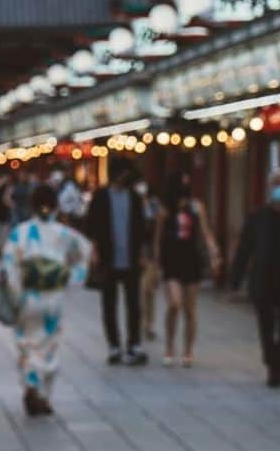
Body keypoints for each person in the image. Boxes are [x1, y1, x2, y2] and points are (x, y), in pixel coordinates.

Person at [1, 183, 92, 416]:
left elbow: (8, 266)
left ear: (31, 205)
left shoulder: (19, 232)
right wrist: (71, 278)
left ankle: (31, 383)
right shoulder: (64, 234)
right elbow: (86, 252)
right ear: (55, 205)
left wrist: (15, 293)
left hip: (27, 296)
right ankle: (45, 395)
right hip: (53, 297)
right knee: (50, 344)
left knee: (26, 343)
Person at [230, 168, 280, 388]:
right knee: (266, 325)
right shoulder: (258, 217)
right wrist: (235, 279)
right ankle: (271, 361)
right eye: (278, 183)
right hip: (264, 279)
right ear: (270, 188)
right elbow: (244, 248)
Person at [85, 157, 149, 365]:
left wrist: (142, 254)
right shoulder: (101, 196)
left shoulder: (135, 198)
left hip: (130, 257)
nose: (125, 177)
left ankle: (134, 344)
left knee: (134, 305)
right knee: (109, 304)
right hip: (107, 257)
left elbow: (141, 228)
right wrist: (94, 251)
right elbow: (92, 225)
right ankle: (114, 345)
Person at [157, 171, 220, 368]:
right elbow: (157, 239)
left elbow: (205, 231)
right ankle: (169, 346)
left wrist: (214, 253)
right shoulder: (165, 209)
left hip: (191, 260)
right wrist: (156, 262)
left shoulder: (196, 206)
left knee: (190, 309)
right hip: (171, 261)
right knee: (174, 304)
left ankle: (188, 350)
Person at [137, 178, 162, 341]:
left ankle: (149, 324)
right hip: (136, 253)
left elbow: (158, 232)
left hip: (151, 253)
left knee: (148, 290)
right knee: (139, 291)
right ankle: (141, 323)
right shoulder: (133, 205)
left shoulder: (155, 206)